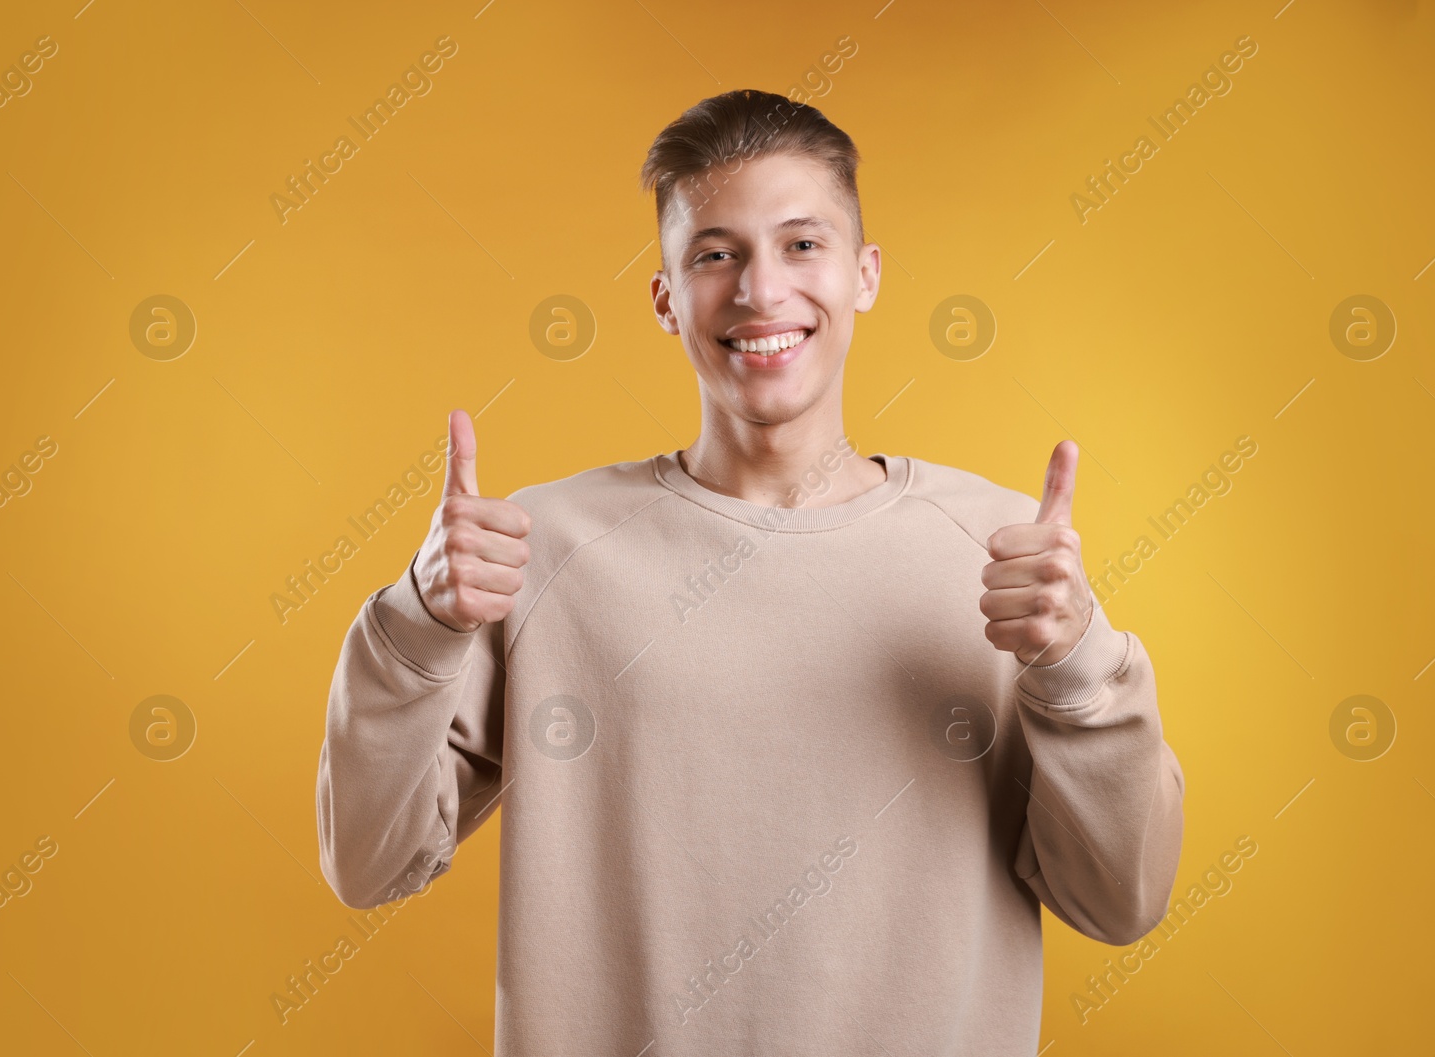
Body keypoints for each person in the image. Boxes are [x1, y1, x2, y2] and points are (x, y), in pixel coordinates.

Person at [316, 88, 1184, 1055]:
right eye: (715, 253)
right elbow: (370, 863)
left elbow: (1121, 902)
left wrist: (1080, 664)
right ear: (665, 297)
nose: (761, 291)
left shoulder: (1002, 556)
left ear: (865, 275)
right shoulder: (543, 550)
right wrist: (415, 624)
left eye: (802, 245)